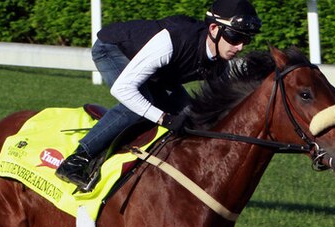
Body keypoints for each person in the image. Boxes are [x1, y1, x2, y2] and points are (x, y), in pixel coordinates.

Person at [55, 0, 262, 190]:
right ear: (214, 29)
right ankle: (76, 160)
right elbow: (123, 89)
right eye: (235, 37)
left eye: (246, 39)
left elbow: (220, 107)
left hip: (157, 71)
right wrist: (163, 118)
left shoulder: (219, 62)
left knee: (188, 112)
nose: (240, 46)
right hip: (112, 50)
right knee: (136, 107)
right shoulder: (173, 40)